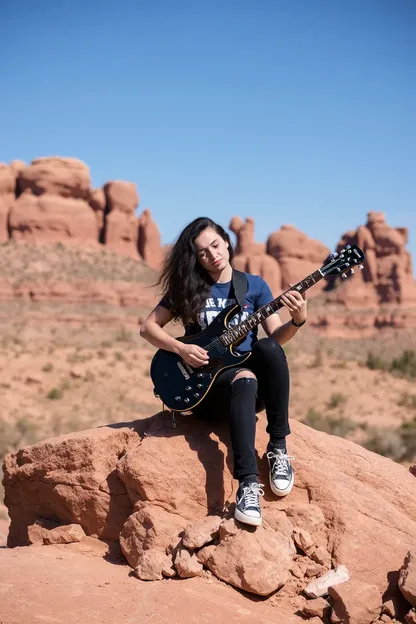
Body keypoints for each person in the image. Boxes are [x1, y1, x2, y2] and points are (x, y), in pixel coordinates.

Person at [140, 217, 307, 527]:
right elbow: (147, 328)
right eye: (202, 252)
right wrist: (181, 349)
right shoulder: (189, 289)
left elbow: (275, 336)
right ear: (196, 258)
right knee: (244, 379)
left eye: (215, 245)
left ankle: (278, 447)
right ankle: (247, 485)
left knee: (268, 351)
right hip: (205, 389)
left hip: (247, 386)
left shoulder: (253, 286)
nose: (212, 254)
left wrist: (296, 321)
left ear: (227, 242)